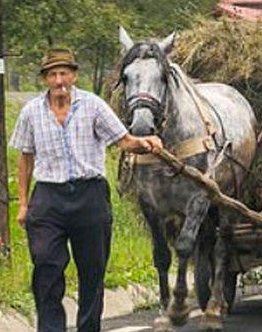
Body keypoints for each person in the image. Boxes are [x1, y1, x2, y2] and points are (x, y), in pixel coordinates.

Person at [9, 47, 162, 332]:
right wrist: (23, 204)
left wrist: (146, 142)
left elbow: (124, 140)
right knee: (46, 266)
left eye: (63, 73)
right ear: (45, 79)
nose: (59, 81)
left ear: (74, 76)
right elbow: (25, 158)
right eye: (52, 75)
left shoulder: (93, 106)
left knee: (92, 271)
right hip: (48, 198)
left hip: (89, 196)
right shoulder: (31, 112)